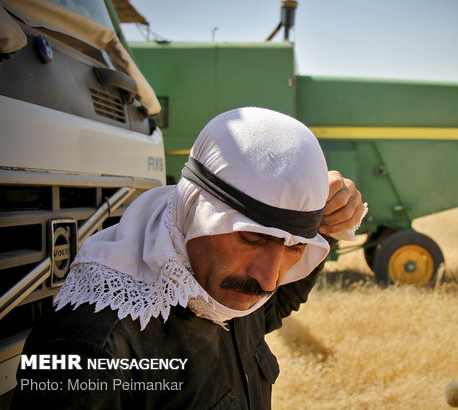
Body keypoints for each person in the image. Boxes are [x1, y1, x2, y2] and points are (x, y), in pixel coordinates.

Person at [11, 107, 366, 410]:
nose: (269, 280)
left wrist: (329, 222)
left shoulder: (232, 287)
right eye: (253, 237)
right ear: (195, 208)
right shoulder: (90, 349)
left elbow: (277, 303)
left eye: (294, 248)